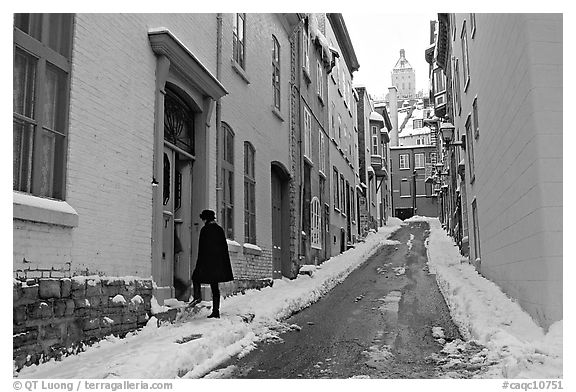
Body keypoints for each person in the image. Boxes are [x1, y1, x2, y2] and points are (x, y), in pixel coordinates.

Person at [190, 209, 233, 318]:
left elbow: (202, 249)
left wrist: (199, 264)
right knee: (215, 287)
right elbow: (224, 247)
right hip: (218, 264)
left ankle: (197, 297)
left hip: (207, 262)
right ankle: (216, 311)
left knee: (195, 277)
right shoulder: (219, 230)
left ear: (205, 219)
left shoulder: (205, 230)